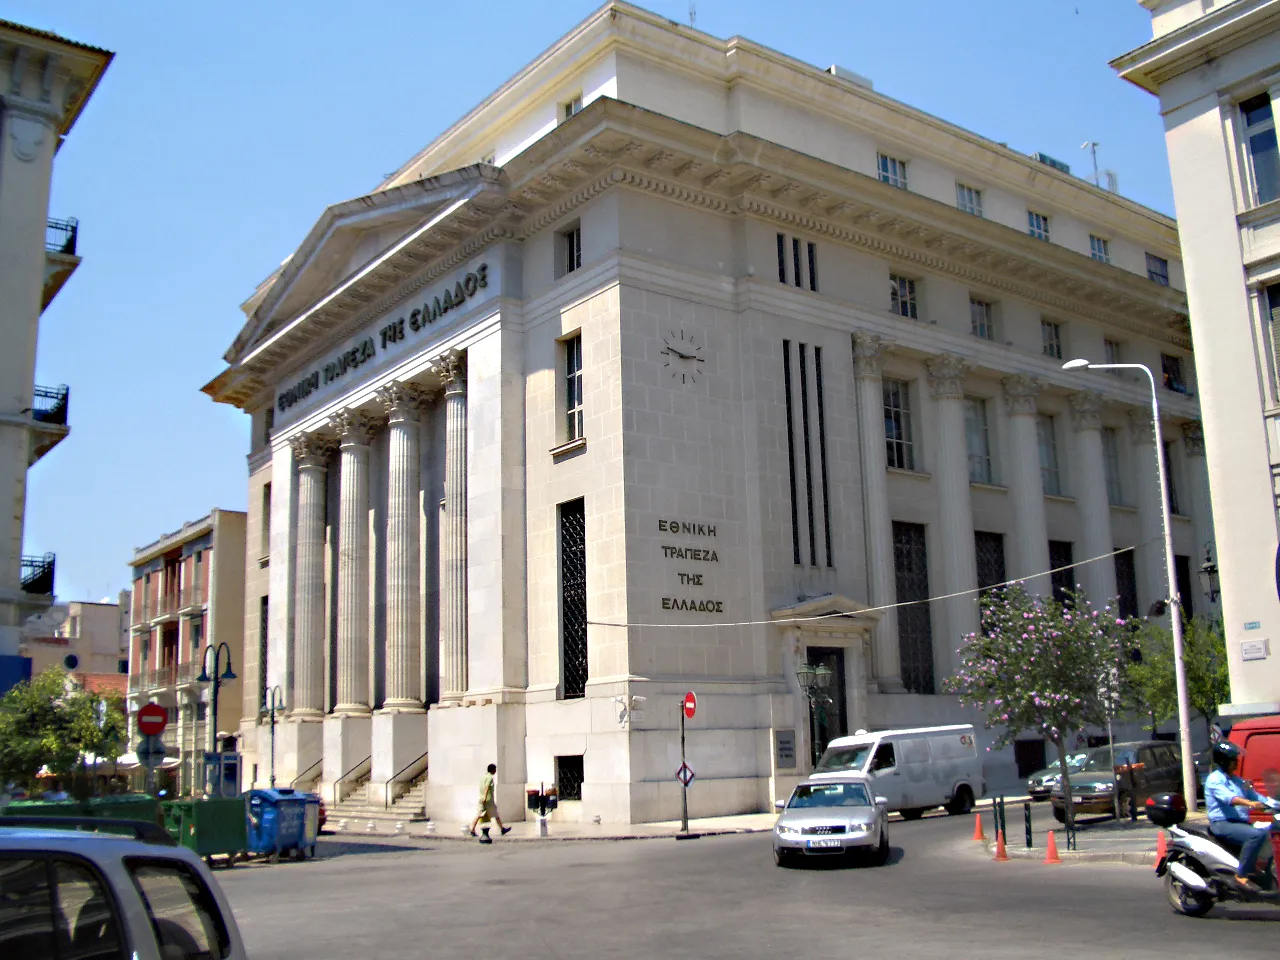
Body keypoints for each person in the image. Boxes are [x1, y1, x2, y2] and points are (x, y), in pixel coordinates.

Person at [1204, 740, 1273, 893]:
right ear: (1224, 761)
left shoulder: (1238, 780)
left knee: (1270, 833)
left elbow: (1256, 796)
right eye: (1233, 759)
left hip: (1240, 823)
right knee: (1256, 835)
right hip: (1223, 824)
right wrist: (1250, 803)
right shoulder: (1215, 780)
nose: (1236, 762)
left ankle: (1263, 875)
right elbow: (1230, 798)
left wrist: (1273, 804)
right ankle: (1241, 876)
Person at [468, 763, 512, 844]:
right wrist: (485, 797)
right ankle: (502, 829)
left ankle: (472, 829)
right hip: (488, 800)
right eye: (495, 769)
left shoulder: (483, 777)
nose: (495, 771)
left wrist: (483, 797)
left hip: (481, 799)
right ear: (492, 770)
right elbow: (487, 787)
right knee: (495, 814)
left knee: (478, 814)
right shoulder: (490, 778)